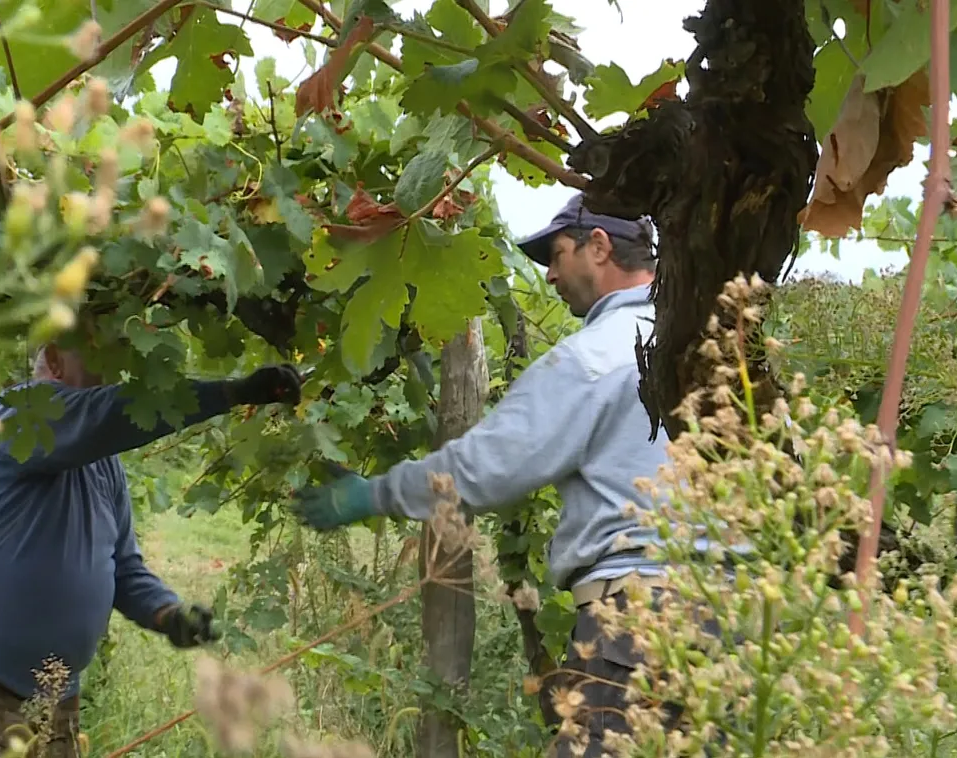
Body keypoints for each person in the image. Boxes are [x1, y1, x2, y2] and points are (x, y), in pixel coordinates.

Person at [290, 193, 679, 756]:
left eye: (557, 253)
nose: (548, 274)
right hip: (743, 628)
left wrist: (372, 494)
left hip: (636, 628)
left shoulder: (593, 357)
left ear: (599, 247)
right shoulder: (722, 353)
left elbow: (481, 469)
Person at [0, 341, 303, 758]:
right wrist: (231, 393)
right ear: (55, 360)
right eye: (100, 359)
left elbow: (124, 567)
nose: (112, 375)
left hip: (52, 698)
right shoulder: (15, 415)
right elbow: (106, 414)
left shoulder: (103, 466)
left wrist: (168, 614)